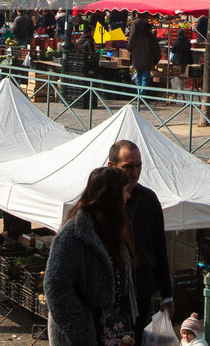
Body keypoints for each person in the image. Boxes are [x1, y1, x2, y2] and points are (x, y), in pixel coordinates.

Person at [45, 166, 137, 346]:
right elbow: (55, 287)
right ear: (110, 197)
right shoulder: (72, 235)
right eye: (124, 191)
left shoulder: (113, 230)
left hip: (117, 332)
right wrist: (82, 331)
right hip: (86, 336)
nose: (128, 197)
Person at [107, 140, 174, 341]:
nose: (135, 172)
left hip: (141, 292)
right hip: (110, 296)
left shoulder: (149, 200)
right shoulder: (102, 202)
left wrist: (167, 293)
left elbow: (160, 248)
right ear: (112, 167)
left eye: (139, 166)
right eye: (128, 167)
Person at [128, 16, 161, 98]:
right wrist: (156, 60)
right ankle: (142, 95)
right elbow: (156, 50)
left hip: (136, 60)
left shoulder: (135, 36)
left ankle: (139, 94)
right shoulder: (151, 38)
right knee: (144, 79)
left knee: (138, 78)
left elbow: (129, 48)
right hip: (147, 61)